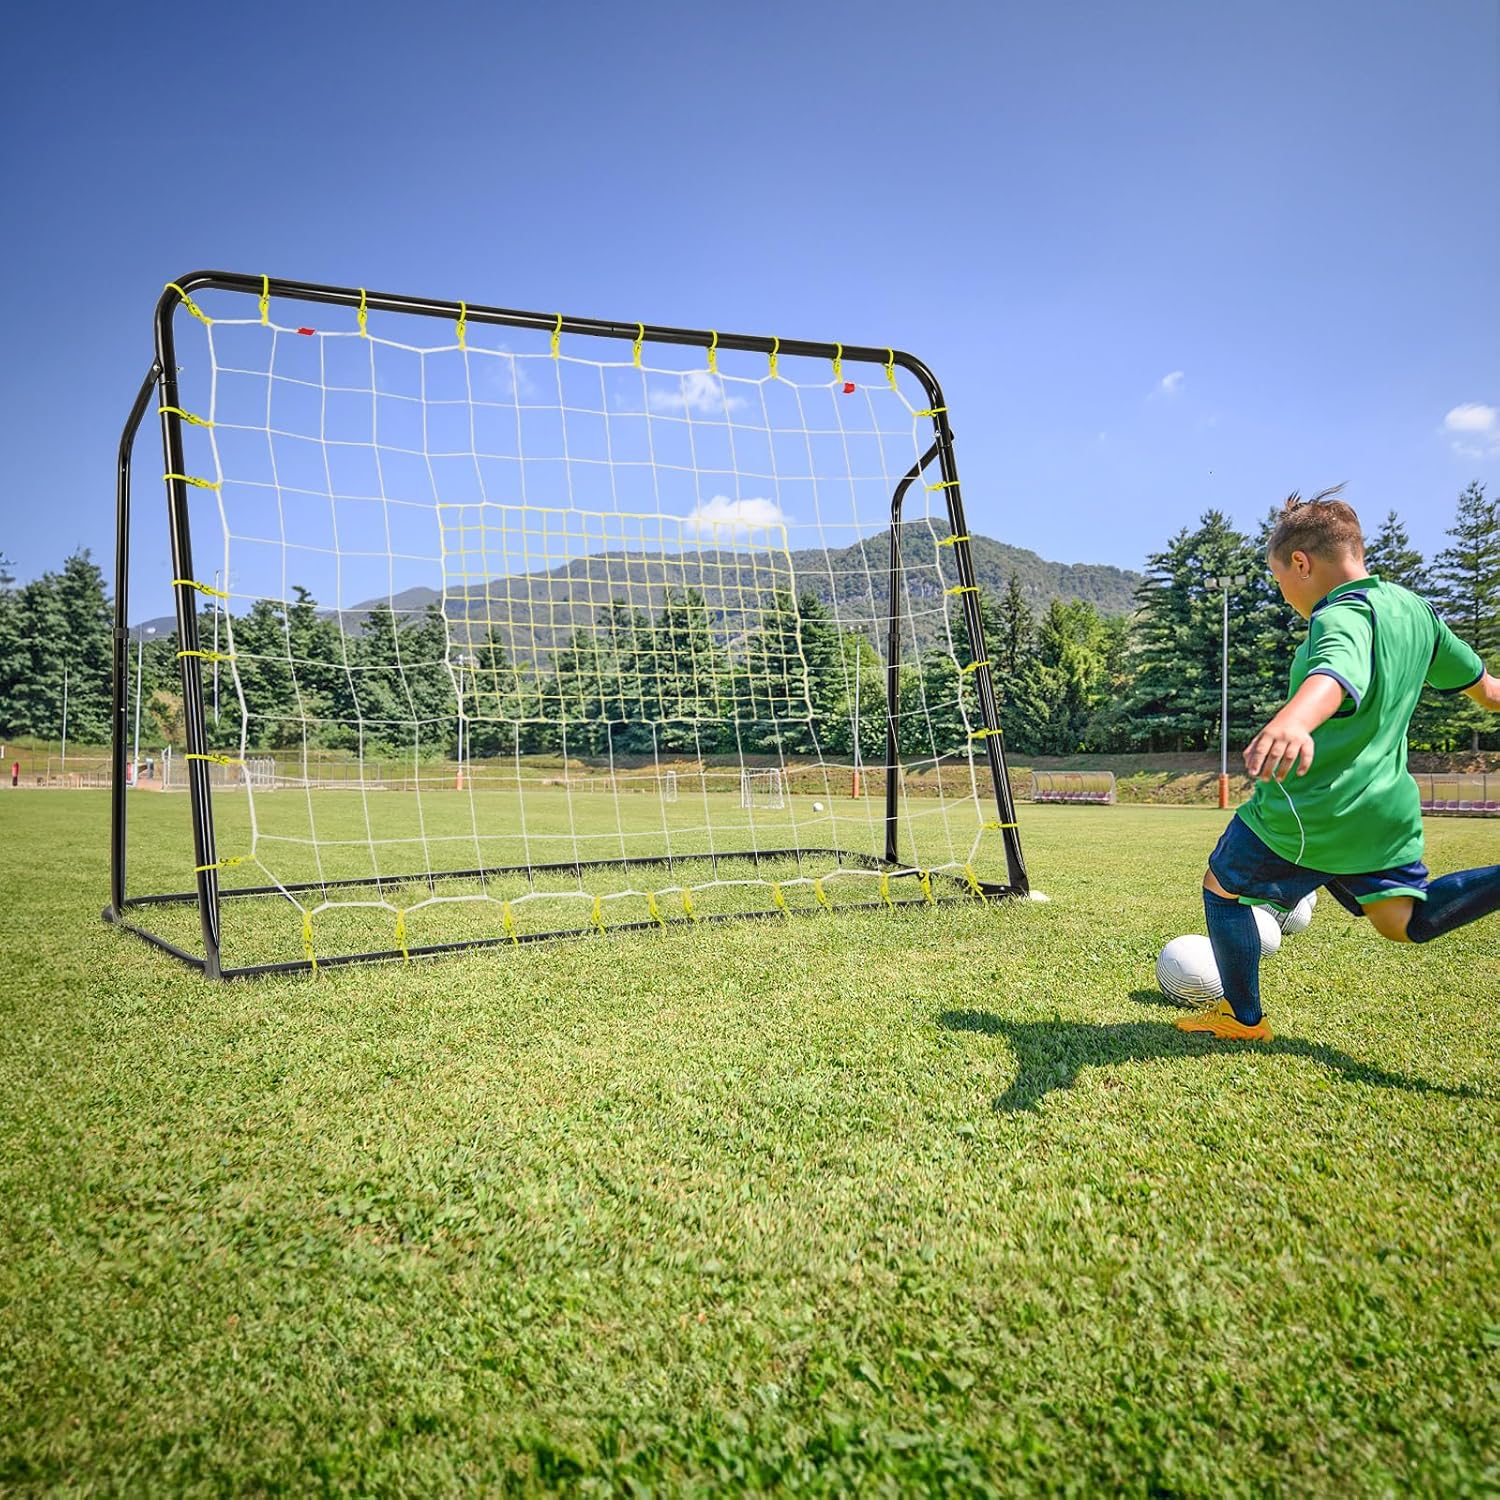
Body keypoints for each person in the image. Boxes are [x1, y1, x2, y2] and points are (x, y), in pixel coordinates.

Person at [1178, 487, 1500, 1041]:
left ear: (1300, 562)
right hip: (1382, 816)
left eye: (1280, 578)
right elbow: (1489, 691)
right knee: (1404, 923)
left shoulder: (1339, 615)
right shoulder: (1415, 611)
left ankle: (1243, 1018)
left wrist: (1295, 720)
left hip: (1309, 812)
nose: (1283, 593)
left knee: (1221, 887)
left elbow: (1335, 672)